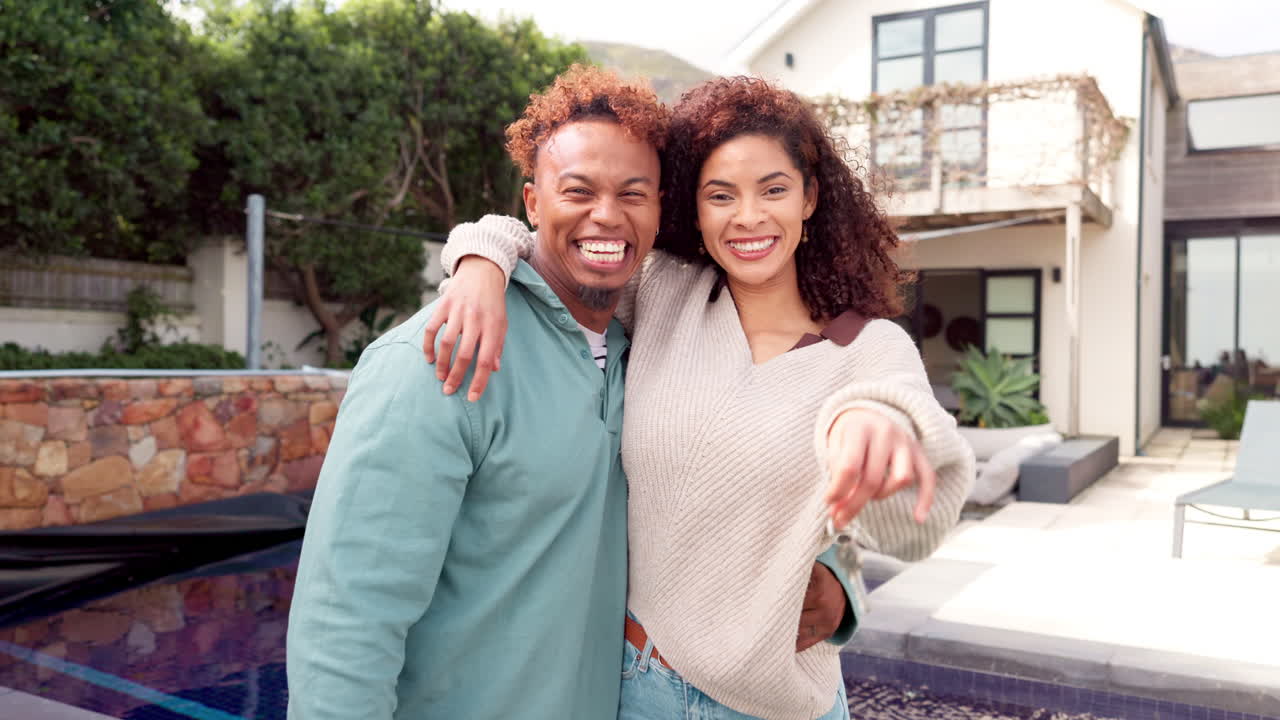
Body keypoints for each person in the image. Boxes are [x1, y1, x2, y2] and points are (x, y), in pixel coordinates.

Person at [285, 66, 853, 720]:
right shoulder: (439, 357)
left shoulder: (656, 347)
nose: (606, 216)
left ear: (661, 206)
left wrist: (836, 577)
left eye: (633, 193)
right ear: (532, 203)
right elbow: (347, 618)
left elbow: (759, 474)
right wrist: (481, 258)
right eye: (578, 190)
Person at [426, 75, 975, 720]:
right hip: (641, 686)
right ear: (695, 207)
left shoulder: (869, 349)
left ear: (810, 197)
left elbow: (912, 503)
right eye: (722, 195)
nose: (748, 217)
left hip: (785, 705)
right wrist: (478, 266)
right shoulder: (666, 291)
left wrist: (870, 424)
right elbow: (548, 235)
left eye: (773, 189)